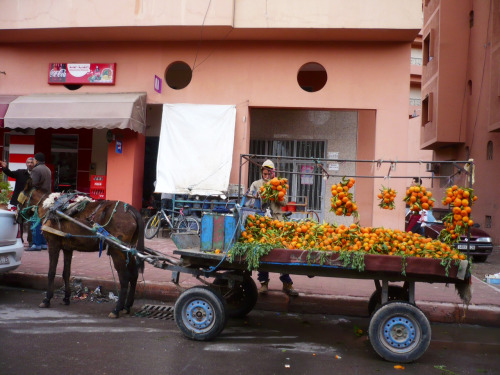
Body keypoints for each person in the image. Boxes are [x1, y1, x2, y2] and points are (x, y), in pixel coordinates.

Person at [249, 159, 298, 297]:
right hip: (262, 222)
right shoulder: (256, 184)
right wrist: (259, 197)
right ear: (261, 172)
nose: (266, 174)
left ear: (272, 173)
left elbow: (284, 202)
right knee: (263, 252)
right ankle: (263, 283)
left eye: (269, 172)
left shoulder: (279, 184)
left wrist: (275, 193)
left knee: (281, 252)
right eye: (264, 172)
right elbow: (250, 201)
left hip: (277, 221)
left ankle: (286, 282)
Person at [1, 157, 35, 245]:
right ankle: (20, 240)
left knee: (32, 221)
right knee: (19, 221)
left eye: (32, 162)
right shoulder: (20, 172)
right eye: (28, 162)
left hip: (32, 201)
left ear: (34, 164)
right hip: (19, 201)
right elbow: (10, 173)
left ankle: (31, 241)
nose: (30, 164)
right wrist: (5, 167)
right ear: (26, 164)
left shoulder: (36, 174)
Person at [27, 152, 51, 251]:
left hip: (37, 198)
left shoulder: (36, 169)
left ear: (36, 160)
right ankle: (44, 244)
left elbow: (32, 184)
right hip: (46, 198)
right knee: (42, 221)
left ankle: (36, 244)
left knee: (35, 221)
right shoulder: (47, 169)